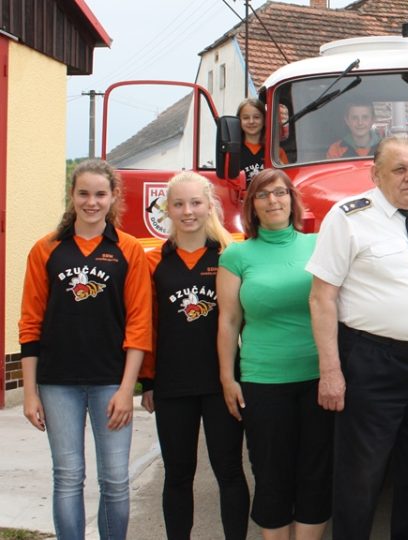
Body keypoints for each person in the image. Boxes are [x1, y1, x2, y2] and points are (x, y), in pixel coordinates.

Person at [308, 133, 408, 539]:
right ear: (375, 174)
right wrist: (331, 371)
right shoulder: (347, 218)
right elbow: (322, 296)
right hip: (372, 363)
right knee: (361, 477)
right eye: (399, 169)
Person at [19, 159, 152, 540]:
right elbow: (30, 324)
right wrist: (30, 393)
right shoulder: (45, 250)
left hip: (111, 382)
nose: (91, 202)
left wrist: (128, 389)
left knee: (114, 479)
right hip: (57, 383)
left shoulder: (128, 250)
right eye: (83, 194)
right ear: (72, 196)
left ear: (113, 198)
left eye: (100, 194)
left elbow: (139, 324)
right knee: (67, 477)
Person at [217, 169, 334, 540]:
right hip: (262, 381)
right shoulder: (236, 255)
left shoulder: (318, 246)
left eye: (280, 193)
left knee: (316, 472)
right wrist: (226, 377)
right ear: (252, 205)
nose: (273, 201)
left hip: (318, 378)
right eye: (263, 196)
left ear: (292, 200)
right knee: (271, 475)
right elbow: (228, 321)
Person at [138, 172, 249, 539]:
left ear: (209, 206)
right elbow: (149, 324)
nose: (188, 211)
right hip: (172, 385)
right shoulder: (155, 262)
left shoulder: (230, 257)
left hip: (221, 383)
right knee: (178, 474)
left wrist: (238, 377)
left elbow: (241, 321)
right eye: (179, 204)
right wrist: (148, 381)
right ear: (167, 209)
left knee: (229, 471)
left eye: (196, 203)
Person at [236, 98, 288, 181]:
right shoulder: (233, 152)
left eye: (256, 117)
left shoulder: (276, 152)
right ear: (238, 121)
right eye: (246, 118)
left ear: (264, 120)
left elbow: (286, 180)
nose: (251, 121)